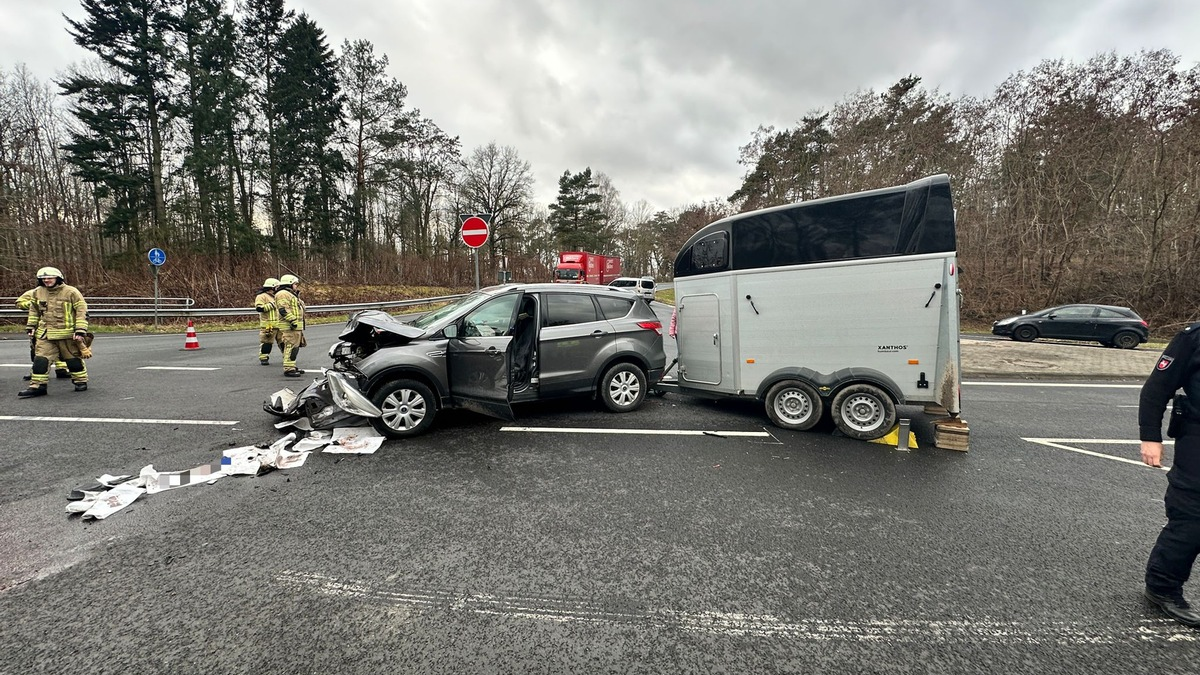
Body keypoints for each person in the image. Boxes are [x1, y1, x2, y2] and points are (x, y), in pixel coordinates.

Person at [1138, 322, 1200, 628]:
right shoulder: (1193, 339)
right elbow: (1157, 388)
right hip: (1197, 440)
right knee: (1192, 519)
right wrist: (1151, 437)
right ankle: (1162, 588)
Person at [19, 266, 90, 398]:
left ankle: (80, 381)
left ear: (58, 278)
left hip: (67, 334)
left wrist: (80, 330)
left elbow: (82, 311)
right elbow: (34, 310)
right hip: (45, 334)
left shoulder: (71, 292)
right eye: (43, 278)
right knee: (40, 360)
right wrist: (31, 326)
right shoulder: (37, 292)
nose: (46, 280)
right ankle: (38, 386)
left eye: (49, 278)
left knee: (73, 360)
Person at [15, 286, 69, 381]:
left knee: (61, 348)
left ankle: (62, 369)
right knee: (38, 349)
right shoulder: (34, 292)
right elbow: (19, 303)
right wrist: (35, 304)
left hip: (55, 325)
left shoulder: (61, 293)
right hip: (38, 326)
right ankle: (35, 371)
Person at [274, 274, 306, 377]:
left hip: (295, 326)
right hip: (290, 325)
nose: (296, 286)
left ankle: (291, 366)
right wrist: (293, 320)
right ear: (290, 283)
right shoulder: (283, 294)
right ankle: (288, 369)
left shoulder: (290, 294)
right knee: (290, 347)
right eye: (295, 284)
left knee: (294, 347)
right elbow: (283, 309)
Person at [254, 277, 282, 366]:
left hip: (280, 324)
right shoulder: (261, 296)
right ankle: (264, 357)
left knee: (283, 342)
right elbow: (259, 308)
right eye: (277, 287)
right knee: (267, 343)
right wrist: (272, 305)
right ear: (272, 287)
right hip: (268, 325)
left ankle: (286, 357)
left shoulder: (278, 296)